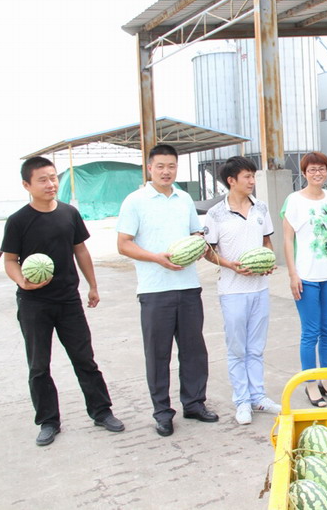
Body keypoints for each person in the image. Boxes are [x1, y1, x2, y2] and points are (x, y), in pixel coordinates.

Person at [2, 156, 124, 446]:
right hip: (33, 303)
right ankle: (48, 421)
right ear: (27, 185)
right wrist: (23, 281)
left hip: (69, 301)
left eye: (53, 177)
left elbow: (80, 250)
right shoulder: (18, 220)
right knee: (39, 366)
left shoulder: (69, 213)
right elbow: (9, 260)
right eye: (42, 179)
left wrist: (93, 286)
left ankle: (101, 411)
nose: (51, 184)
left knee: (85, 360)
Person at [117, 144, 217, 437]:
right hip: (154, 291)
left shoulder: (184, 199)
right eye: (160, 166)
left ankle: (194, 404)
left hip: (188, 287)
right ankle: (162, 413)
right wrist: (156, 258)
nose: (166, 171)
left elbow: (195, 233)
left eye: (171, 166)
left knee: (194, 351)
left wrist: (198, 245)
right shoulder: (134, 201)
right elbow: (123, 244)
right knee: (158, 355)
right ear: (149, 168)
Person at [203, 156, 280, 425]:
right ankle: (242, 401)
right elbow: (208, 252)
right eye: (247, 176)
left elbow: (267, 242)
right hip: (232, 290)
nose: (251, 181)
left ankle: (258, 397)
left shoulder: (261, 208)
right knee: (237, 348)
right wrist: (230, 265)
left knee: (256, 347)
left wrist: (268, 261)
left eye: (253, 176)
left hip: (260, 288)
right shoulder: (216, 214)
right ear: (231, 180)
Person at [282, 152, 327, 407]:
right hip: (307, 277)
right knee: (310, 332)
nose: (317, 173)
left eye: (321, 169)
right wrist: (292, 274)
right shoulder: (294, 201)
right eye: (312, 169)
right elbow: (287, 240)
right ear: (304, 173)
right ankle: (311, 384)